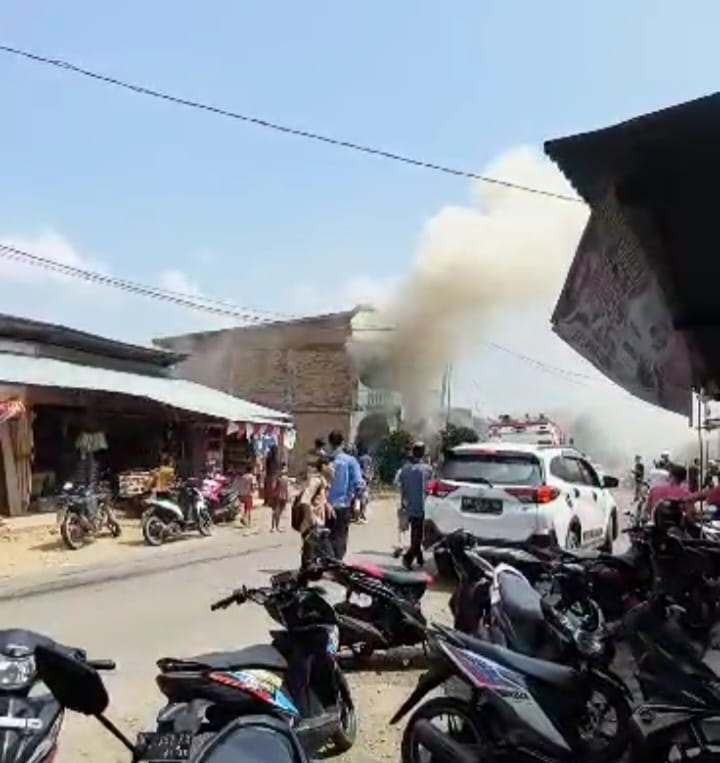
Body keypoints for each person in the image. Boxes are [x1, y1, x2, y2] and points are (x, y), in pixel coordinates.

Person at [326, 430, 363, 559]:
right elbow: (358, 484)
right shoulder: (350, 461)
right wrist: (357, 503)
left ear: (329, 443)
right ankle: (336, 561)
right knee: (340, 536)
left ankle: (327, 560)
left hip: (324, 506)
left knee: (326, 535)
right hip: (342, 505)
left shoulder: (325, 460)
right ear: (343, 443)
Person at [399, 442, 431, 569]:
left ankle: (420, 558)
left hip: (409, 505)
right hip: (423, 506)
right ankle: (408, 557)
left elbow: (402, 488)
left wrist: (403, 504)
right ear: (423, 453)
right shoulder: (427, 469)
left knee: (415, 532)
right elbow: (430, 487)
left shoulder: (405, 469)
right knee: (419, 535)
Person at [298, 456, 335, 568]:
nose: (334, 469)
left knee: (316, 559)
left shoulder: (324, 483)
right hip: (312, 528)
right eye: (332, 466)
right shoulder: (316, 481)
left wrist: (327, 506)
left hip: (318, 526)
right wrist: (311, 519)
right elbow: (305, 500)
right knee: (323, 558)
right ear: (324, 467)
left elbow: (320, 499)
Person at [271, 463, 290, 532]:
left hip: (283, 496)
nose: (284, 470)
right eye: (283, 468)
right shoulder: (277, 478)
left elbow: (286, 488)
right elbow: (273, 487)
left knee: (279, 512)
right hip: (277, 496)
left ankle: (277, 527)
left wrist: (287, 497)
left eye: (285, 468)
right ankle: (273, 527)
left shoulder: (286, 478)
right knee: (275, 512)